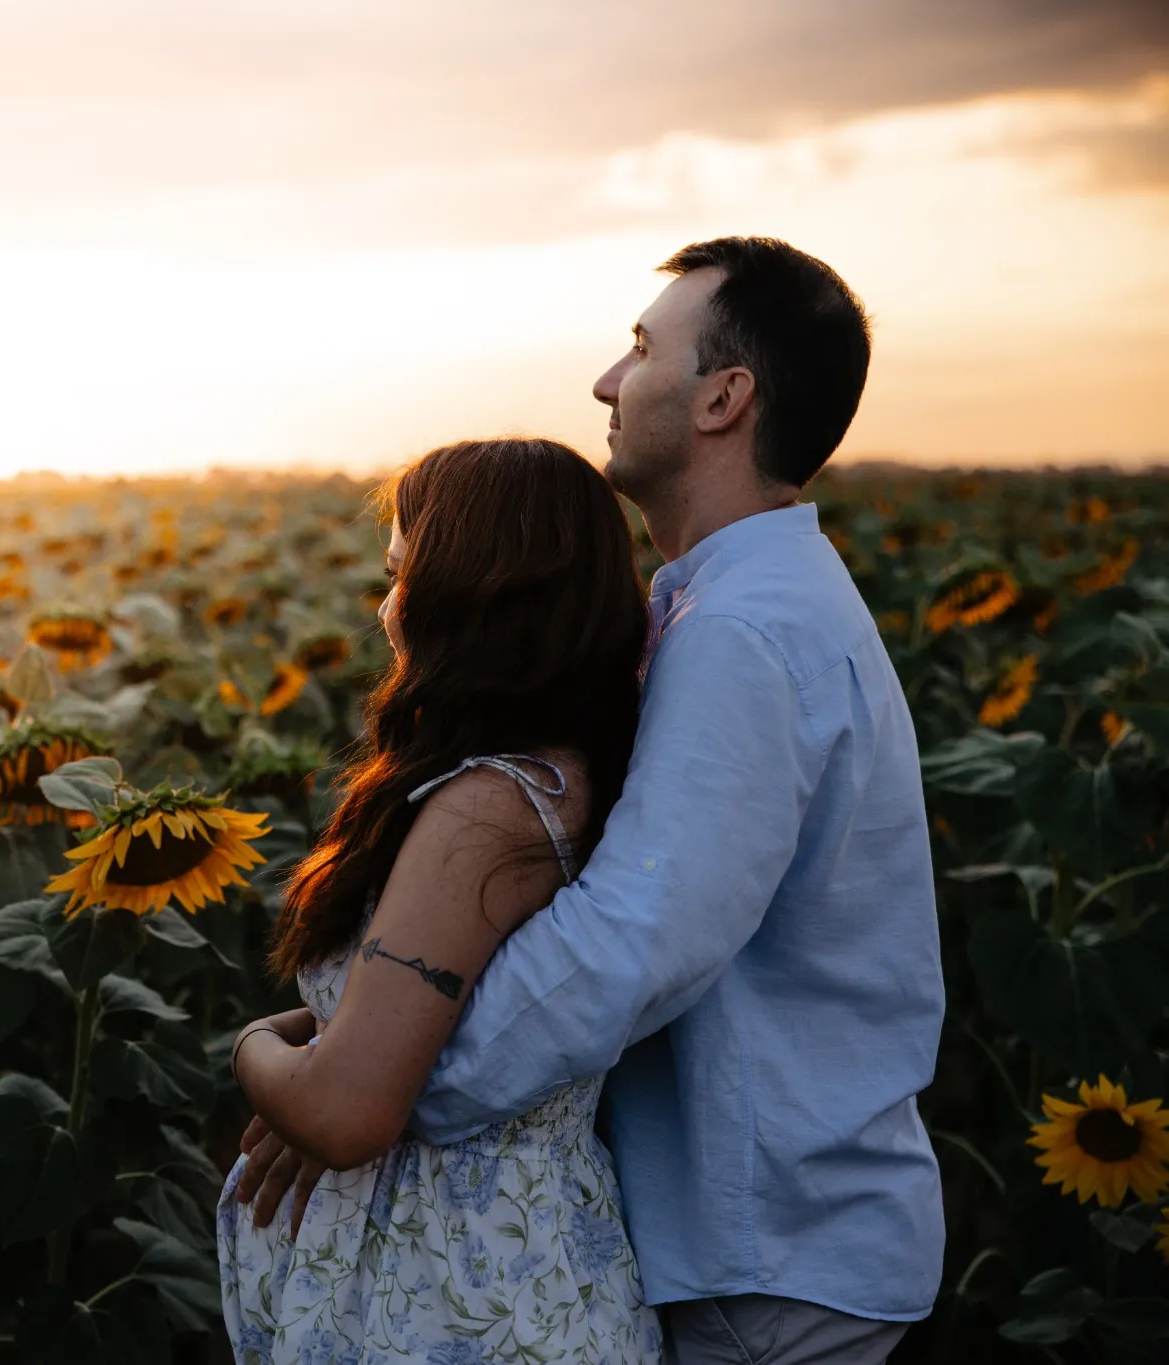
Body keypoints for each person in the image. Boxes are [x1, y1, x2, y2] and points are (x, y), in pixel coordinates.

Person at [232, 237, 945, 1365]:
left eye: (639, 349)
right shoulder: (726, 607)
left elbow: (633, 942)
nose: (606, 384)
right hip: (754, 1231)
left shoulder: (742, 636)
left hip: (761, 1241)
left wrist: (371, 1078)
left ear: (723, 397)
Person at [219, 436, 664, 1363]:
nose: (387, 611)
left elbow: (347, 1111)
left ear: (473, 592)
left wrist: (256, 1047)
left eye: (401, 577)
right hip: (509, 1279)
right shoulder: (562, 774)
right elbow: (440, 1004)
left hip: (453, 1296)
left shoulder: (487, 810)